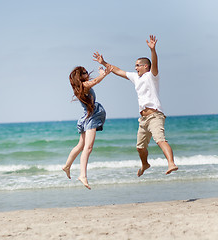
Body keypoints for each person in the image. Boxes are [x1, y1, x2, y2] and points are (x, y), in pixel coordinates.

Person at [94, 35, 178, 177]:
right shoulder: (135, 77)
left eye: (138, 65)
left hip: (155, 115)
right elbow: (117, 70)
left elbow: (155, 63)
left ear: (146, 66)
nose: (135, 67)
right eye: (135, 65)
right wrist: (104, 62)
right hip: (143, 119)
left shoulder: (152, 76)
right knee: (140, 147)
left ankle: (171, 163)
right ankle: (145, 164)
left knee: (160, 140)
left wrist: (153, 50)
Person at [62, 64, 113, 189]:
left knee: (81, 146)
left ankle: (67, 166)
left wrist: (103, 74)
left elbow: (94, 81)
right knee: (88, 147)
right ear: (80, 76)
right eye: (84, 72)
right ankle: (82, 175)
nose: (87, 73)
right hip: (91, 119)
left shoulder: (81, 86)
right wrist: (103, 74)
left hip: (87, 117)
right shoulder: (84, 86)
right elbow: (95, 82)